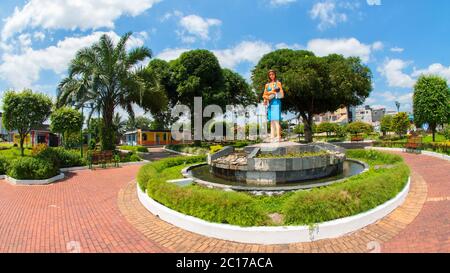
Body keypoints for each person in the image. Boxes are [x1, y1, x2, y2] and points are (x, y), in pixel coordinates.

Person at [263, 70, 284, 142]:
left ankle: (278, 137)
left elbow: (282, 94)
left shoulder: (278, 83)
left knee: (276, 120)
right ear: (269, 76)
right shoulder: (267, 85)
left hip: (276, 102)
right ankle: (272, 137)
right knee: (272, 120)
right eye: (270, 75)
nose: (271, 76)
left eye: (273, 74)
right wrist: (265, 100)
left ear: (275, 75)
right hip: (270, 103)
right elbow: (264, 94)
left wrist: (274, 92)